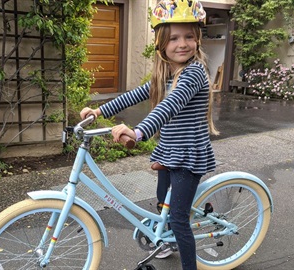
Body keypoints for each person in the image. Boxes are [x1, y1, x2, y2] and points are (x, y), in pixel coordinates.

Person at [80, 0, 219, 269]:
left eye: (189, 36)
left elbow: (169, 106)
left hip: (188, 155)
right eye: (174, 38)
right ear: (161, 43)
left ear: (198, 39)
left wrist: (139, 131)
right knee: (161, 202)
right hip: (169, 149)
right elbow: (134, 95)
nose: (182, 44)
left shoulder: (193, 74)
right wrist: (98, 112)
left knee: (178, 218)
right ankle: (166, 240)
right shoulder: (165, 72)